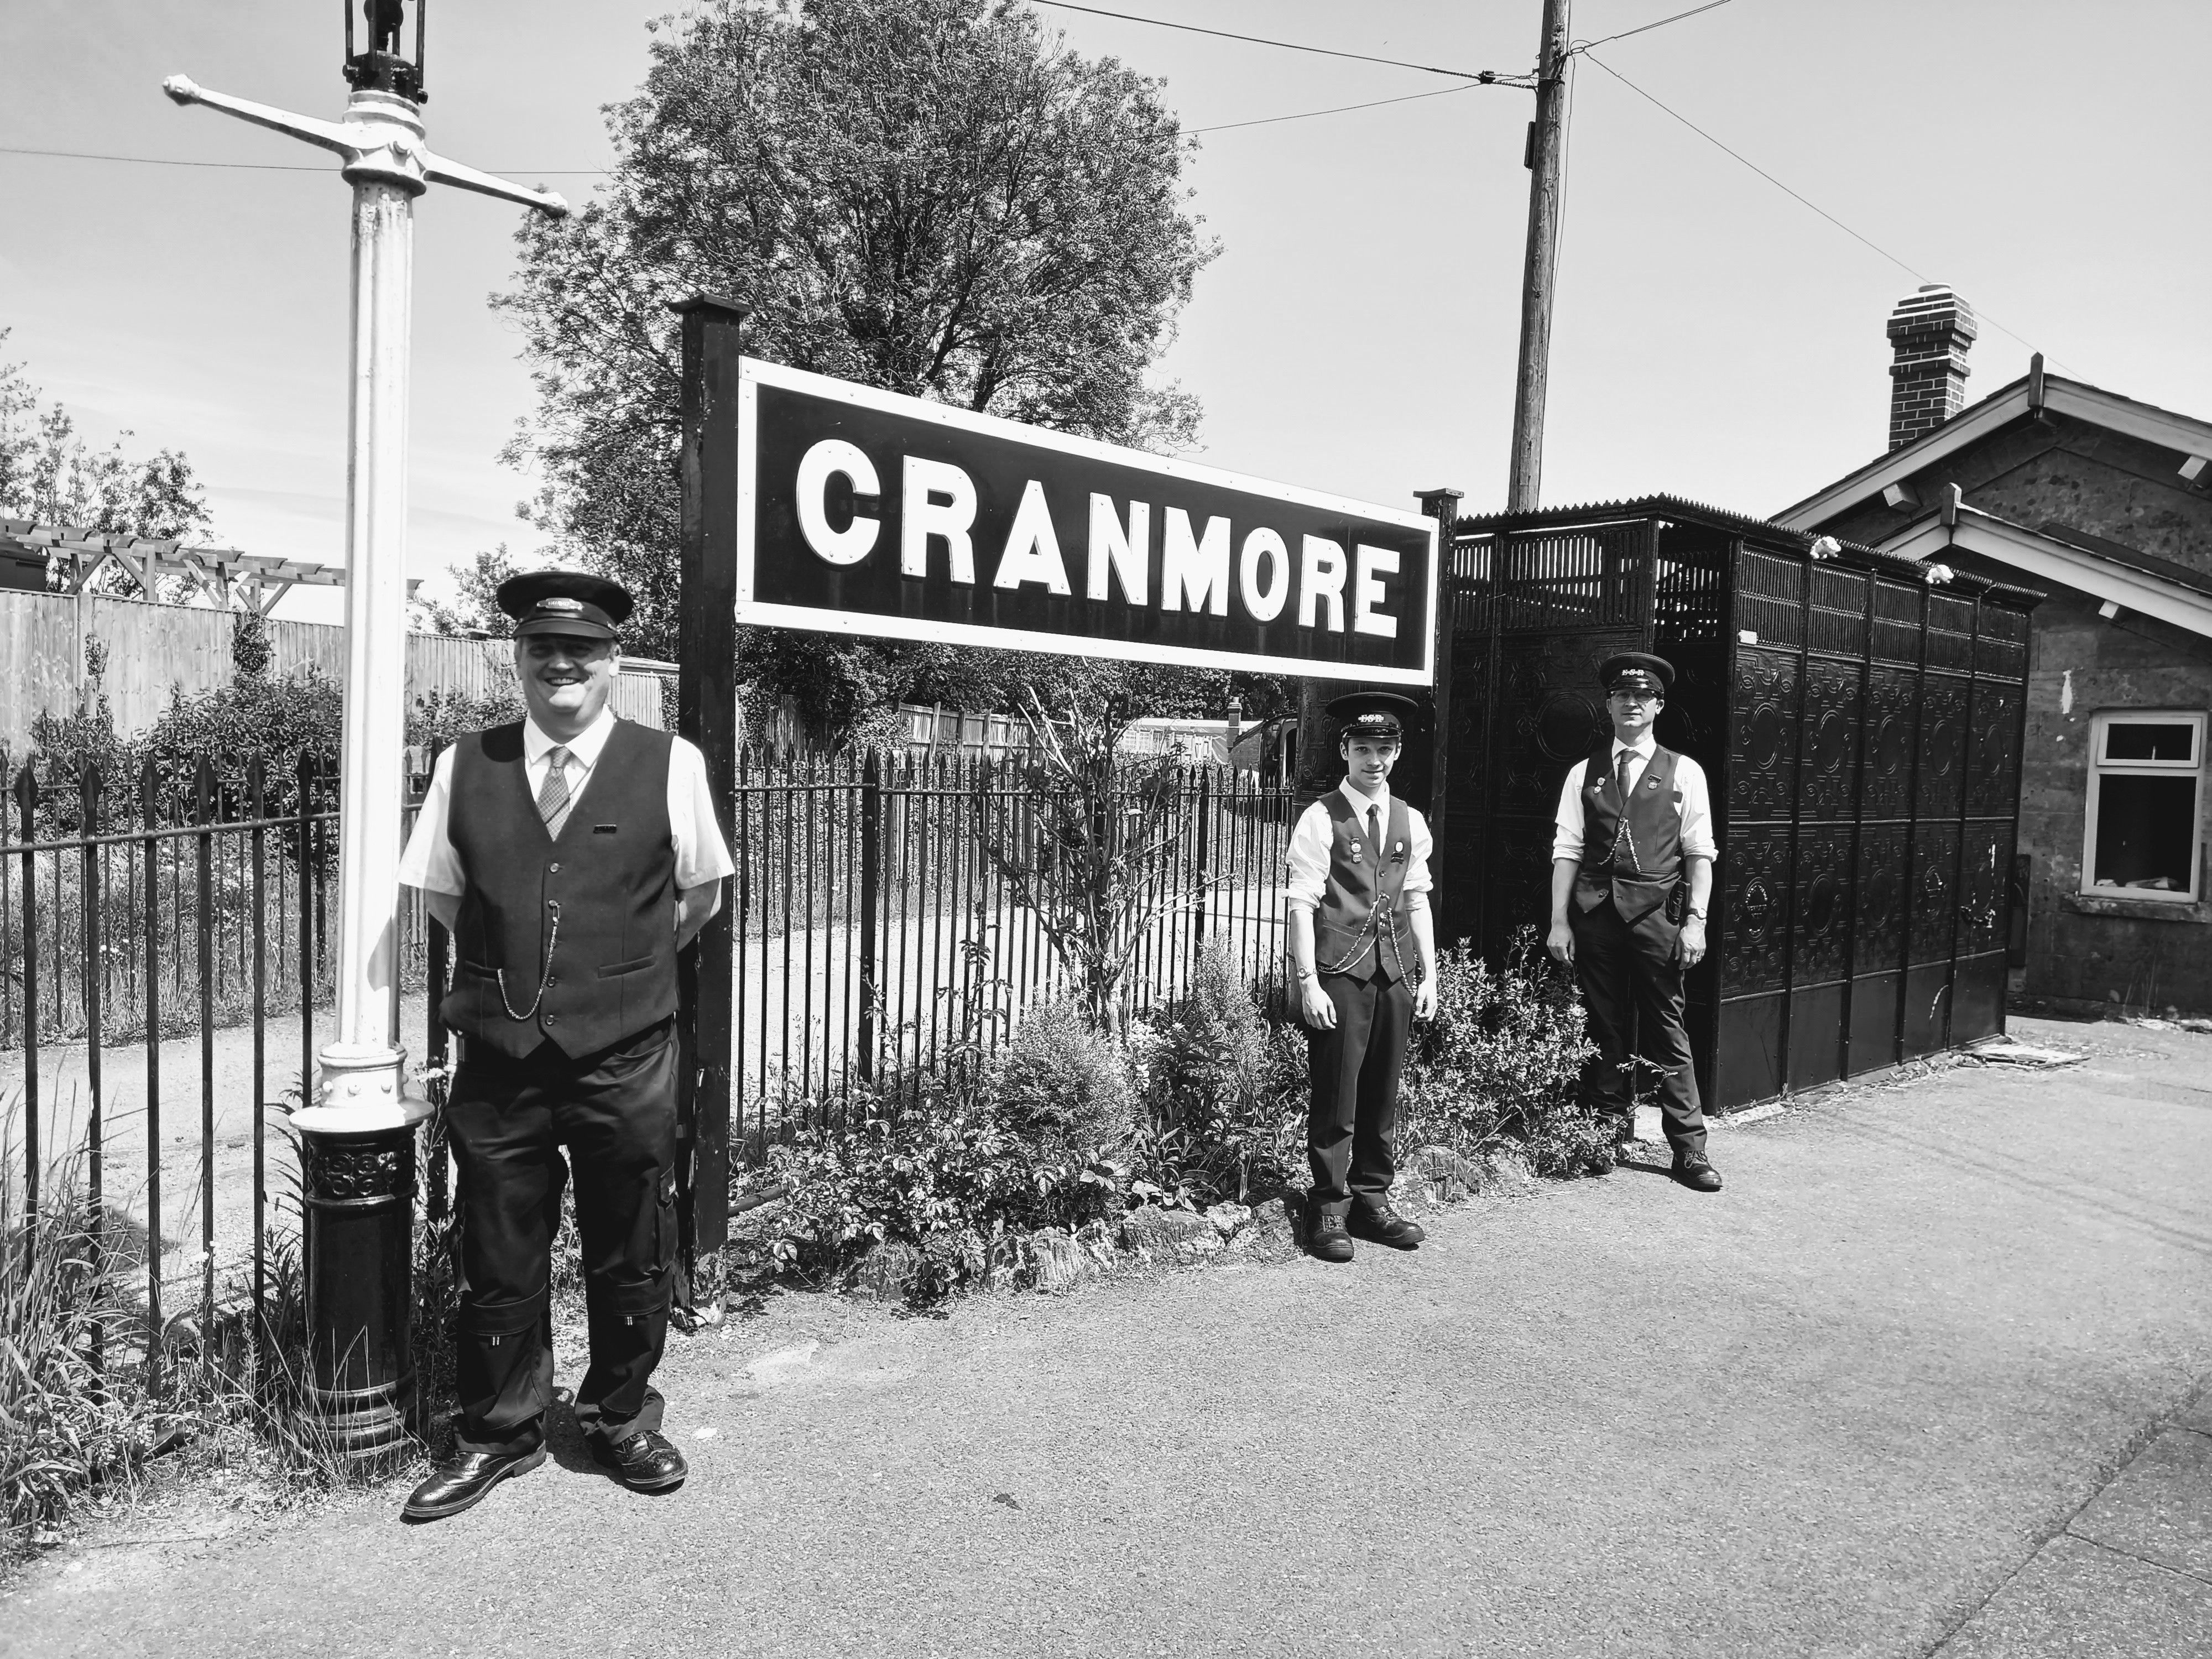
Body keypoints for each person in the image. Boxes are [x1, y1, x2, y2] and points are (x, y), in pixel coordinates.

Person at [396, 571, 735, 1520]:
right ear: (518, 659)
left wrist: (615, 975)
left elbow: (697, 897)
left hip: (625, 1057)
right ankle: (500, 1432)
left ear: (613, 664)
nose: (562, 664)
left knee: (631, 1242)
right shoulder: (468, 764)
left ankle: (619, 1416)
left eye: (581, 651)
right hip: (501, 1059)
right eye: (543, 648)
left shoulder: (667, 764)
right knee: (498, 1248)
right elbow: (442, 894)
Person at [1545, 652, 1723, 1193]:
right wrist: (1559, 921)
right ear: (1608, 704)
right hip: (1596, 916)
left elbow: (1700, 854)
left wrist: (1696, 922)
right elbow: (1567, 851)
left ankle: (1688, 1150)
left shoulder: (1683, 771)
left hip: (1655, 919)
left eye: (1641, 697)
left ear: (1658, 706)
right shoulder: (1584, 773)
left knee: (1667, 1029)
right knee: (1605, 1025)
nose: (1631, 704)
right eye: (1622, 696)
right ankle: (1605, 1133)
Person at [1284, 691, 1438, 1263]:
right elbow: (1302, 903)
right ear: (1344, 752)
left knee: (1381, 1089)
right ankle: (1327, 1205)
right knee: (1337, 1090)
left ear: (1396, 754)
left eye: (1384, 749)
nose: (1374, 760)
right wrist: (1308, 982)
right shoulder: (1322, 816)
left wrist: (1429, 976)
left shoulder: (1409, 820)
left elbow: (1417, 899)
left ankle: (1371, 1199)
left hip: (1394, 969)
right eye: (1363, 748)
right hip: (1341, 971)